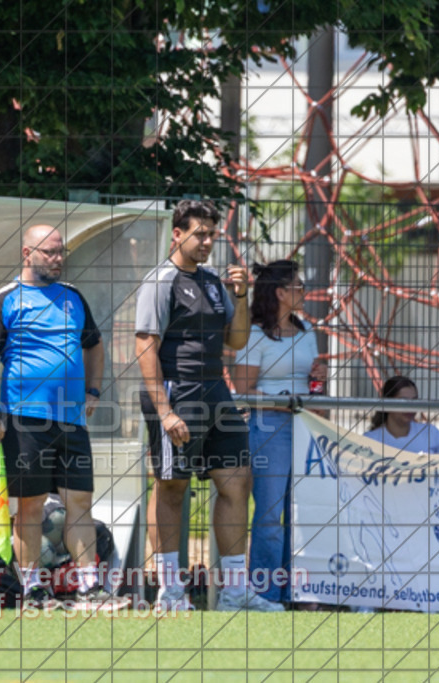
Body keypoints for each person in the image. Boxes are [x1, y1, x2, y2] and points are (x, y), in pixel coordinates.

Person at [135, 199, 283, 613]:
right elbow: (145, 345)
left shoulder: (214, 282)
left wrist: (242, 295)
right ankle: (170, 593)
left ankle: (235, 592)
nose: (207, 241)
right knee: (172, 486)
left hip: (216, 390)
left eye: (211, 234)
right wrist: (165, 411)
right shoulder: (161, 280)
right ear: (177, 234)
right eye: (199, 233)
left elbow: (237, 340)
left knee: (238, 483)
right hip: (176, 390)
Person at [0, 224, 125, 609]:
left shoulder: (73, 297)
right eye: (50, 252)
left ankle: (89, 587)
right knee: (29, 505)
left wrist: (93, 390)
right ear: (27, 254)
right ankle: (32, 589)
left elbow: (94, 345)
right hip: (23, 419)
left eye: (61, 252)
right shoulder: (4, 299)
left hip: (71, 421)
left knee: (80, 501)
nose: (58, 259)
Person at [232, 260, 325, 607]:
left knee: (299, 513)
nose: (304, 292)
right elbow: (242, 389)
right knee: (270, 515)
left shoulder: (307, 331)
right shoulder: (254, 334)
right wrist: (282, 403)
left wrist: (319, 378)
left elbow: (312, 383)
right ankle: (266, 593)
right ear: (281, 293)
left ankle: (294, 591)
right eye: (299, 286)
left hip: (304, 427)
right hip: (269, 428)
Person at [363, 376, 439, 454]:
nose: (410, 407)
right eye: (403, 401)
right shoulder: (370, 440)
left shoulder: (430, 432)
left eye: (414, 401)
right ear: (387, 403)